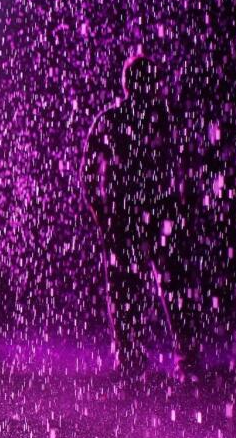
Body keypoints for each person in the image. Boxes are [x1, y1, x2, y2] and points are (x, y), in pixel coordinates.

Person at [82, 55, 195, 380]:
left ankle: (136, 359)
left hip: (139, 217)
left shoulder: (126, 119)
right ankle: (171, 359)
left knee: (135, 291)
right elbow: (89, 173)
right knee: (161, 289)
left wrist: (103, 215)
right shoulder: (155, 119)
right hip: (150, 217)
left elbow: (89, 173)